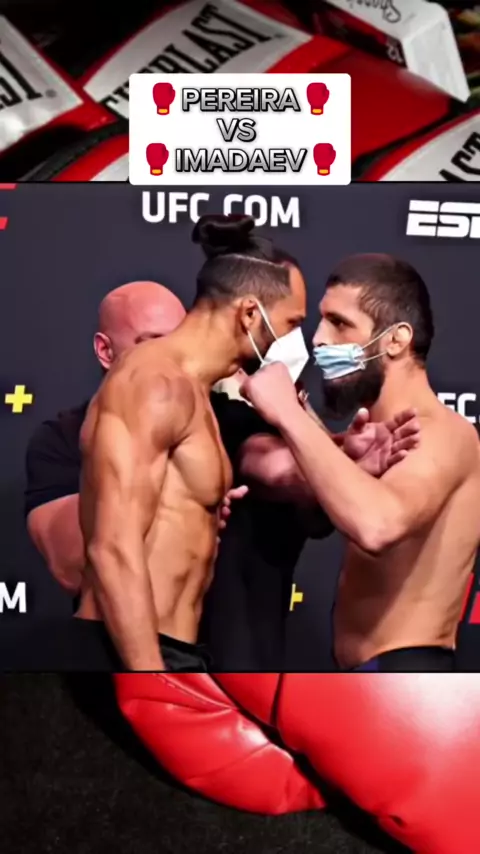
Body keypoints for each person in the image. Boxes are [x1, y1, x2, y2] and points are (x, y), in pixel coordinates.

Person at [19, 229, 418, 672]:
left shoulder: (199, 396)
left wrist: (342, 454)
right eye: (290, 323)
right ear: (249, 313)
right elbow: (111, 548)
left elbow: (273, 466)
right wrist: (151, 682)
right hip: (129, 655)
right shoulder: (153, 382)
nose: (297, 341)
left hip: (174, 652)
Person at [241, 253, 480, 672]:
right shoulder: (374, 434)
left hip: (407, 677)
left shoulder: (440, 433)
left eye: (340, 323)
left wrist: (288, 414)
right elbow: (320, 520)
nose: (319, 340)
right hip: (365, 678)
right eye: (322, 321)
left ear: (396, 340)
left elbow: (377, 526)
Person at [25, 280, 187, 595]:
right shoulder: (62, 440)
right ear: (105, 351)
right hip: (113, 624)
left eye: (181, 344)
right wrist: (181, 496)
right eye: (154, 343)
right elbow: (71, 567)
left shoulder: (223, 422)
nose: (174, 361)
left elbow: (280, 473)